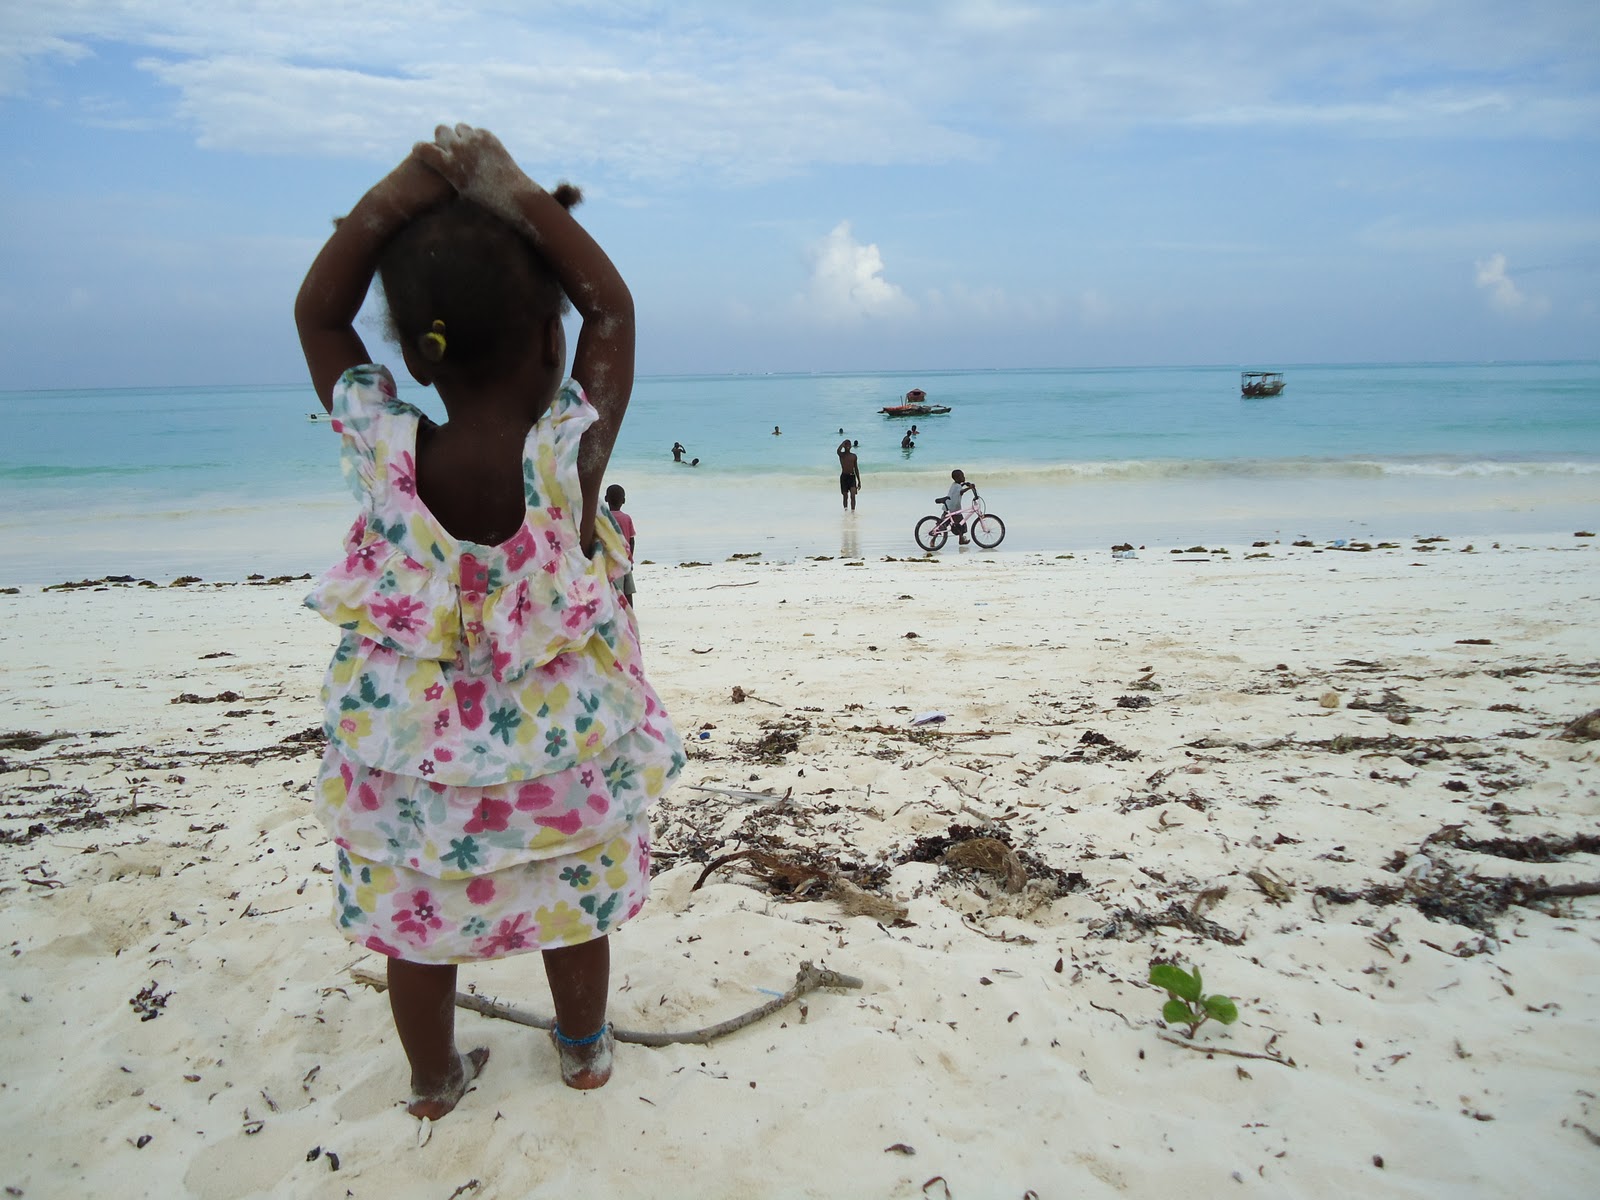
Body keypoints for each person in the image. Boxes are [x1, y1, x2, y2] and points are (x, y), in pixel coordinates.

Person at [295, 124, 684, 1119]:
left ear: (419, 357)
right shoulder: (567, 462)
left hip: (415, 772)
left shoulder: (384, 452)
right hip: (556, 768)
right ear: (552, 342)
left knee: (415, 926)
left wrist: (408, 185)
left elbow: (320, 313)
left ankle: (433, 1080)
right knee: (574, 904)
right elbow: (613, 307)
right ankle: (584, 1052)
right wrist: (509, 187)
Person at [605, 483, 636, 607]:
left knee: (613, 590)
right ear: (623, 500)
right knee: (628, 590)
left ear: (606, 499)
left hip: (610, 560)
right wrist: (630, 558)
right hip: (625, 559)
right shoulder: (626, 518)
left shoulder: (604, 518)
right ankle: (630, 612)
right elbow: (631, 541)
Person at [941, 468, 977, 544]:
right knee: (961, 524)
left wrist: (964, 484)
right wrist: (969, 488)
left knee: (943, 525)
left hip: (948, 508)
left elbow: (959, 488)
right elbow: (961, 491)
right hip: (954, 509)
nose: (964, 477)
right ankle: (961, 539)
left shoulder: (954, 484)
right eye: (962, 476)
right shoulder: (957, 487)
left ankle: (933, 540)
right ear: (957, 478)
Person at [836, 438, 861, 510]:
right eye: (846, 444)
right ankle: (845, 511)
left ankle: (853, 512)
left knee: (853, 496)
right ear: (844, 446)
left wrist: (859, 481)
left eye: (849, 444)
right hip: (844, 477)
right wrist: (843, 443)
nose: (848, 446)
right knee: (845, 496)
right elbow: (838, 450)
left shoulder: (853, 456)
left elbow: (856, 468)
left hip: (852, 477)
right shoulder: (842, 455)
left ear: (851, 446)